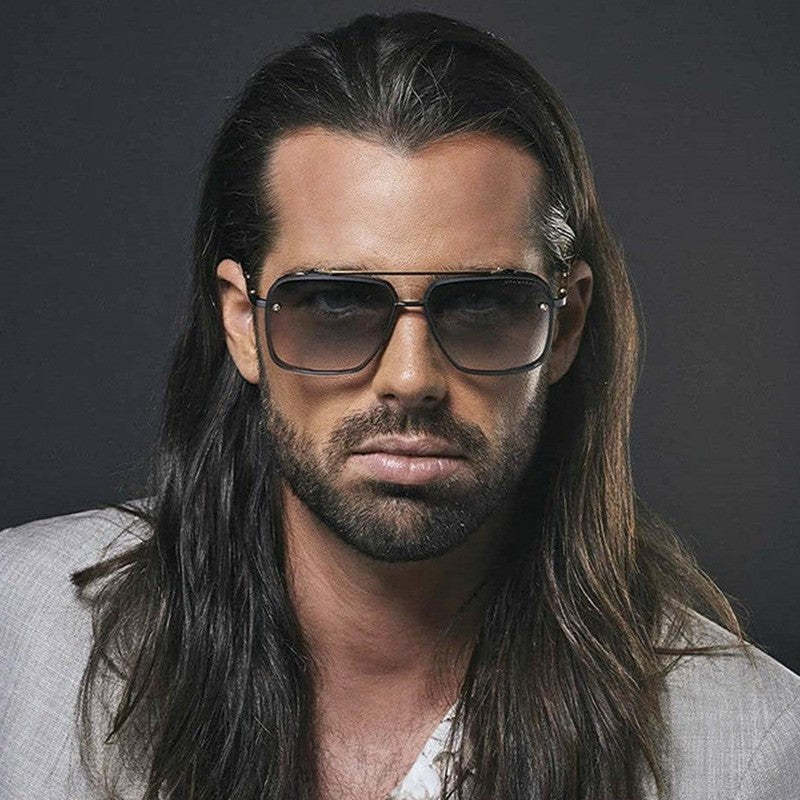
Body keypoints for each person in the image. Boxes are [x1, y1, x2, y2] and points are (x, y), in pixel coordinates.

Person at [1, 11, 798, 800]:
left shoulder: (751, 747)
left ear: (565, 326)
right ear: (243, 323)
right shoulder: (19, 632)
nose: (411, 378)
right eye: (334, 304)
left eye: (482, 304)